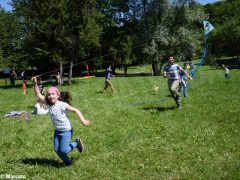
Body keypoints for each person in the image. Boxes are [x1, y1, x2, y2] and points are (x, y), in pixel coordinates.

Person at [31, 76, 91, 166]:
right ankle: (68, 163)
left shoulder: (62, 105)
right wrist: (35, 83)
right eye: (48, 94)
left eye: (53, 94)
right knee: (57, 150)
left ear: (58, 95)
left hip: (66, 130)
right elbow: (39, 95)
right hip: (57, 131)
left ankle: (76, 143)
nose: (50, 96)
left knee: (63, 150)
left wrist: (83, 120)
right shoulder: (49, 103)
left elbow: (75, 110)